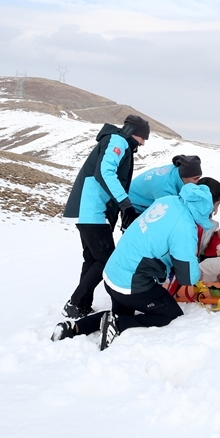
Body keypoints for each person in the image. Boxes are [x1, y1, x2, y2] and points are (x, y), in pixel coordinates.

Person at [52, 178, 220, 349]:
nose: (216, 211)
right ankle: (119, 325)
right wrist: (196, 272)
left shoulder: (169, 200)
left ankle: (73, 328)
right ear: (208, 204)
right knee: (170, 313)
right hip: (130, 284)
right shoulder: (185, 226)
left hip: (113, 273)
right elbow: (187, 276)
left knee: (121, 313)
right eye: (217, 205)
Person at [60, 115, 150, 320]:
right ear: (132, 132)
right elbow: (105, 172)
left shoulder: (117, 141)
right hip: (93, 212)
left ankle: (80, 306)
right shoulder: (117, 141)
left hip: (91, 212)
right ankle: (75, 303)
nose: (143, 143)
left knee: (92, 260)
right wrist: (125, 204)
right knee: (106, 260)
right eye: (143, 137)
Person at [124, 155, 203, 230]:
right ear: (184, 176)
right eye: (195, 178)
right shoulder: (164, 189)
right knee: (140, 235)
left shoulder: (178, 169)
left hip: (146, 196)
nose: (197, 182)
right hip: (134, 205)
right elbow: (170, 215)